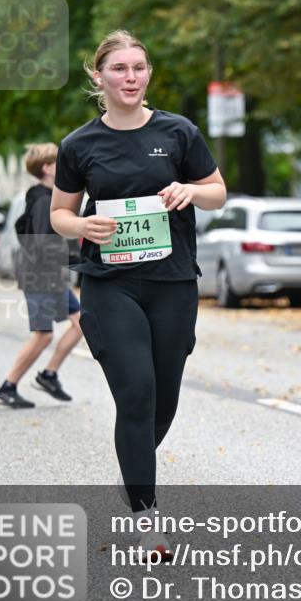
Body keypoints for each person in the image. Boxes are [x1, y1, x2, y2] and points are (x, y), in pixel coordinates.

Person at [50, 30, 226, 556]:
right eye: (120, 69)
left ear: (148, 74)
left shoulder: (178, 132)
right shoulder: (79, 145)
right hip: (110, 284)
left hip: (172, 282)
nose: (131, 77)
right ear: (98, 77)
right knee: (136, 393)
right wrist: (82, 227)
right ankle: (147, 515)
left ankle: (133, 470)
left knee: (164, 403)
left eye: (139, 68)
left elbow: (217, 193)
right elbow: (60, 213)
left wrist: (191, 190)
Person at [0, 143, 84, 409]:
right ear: (47, 168)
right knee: (43, 336)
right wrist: (78, 258)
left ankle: (48, 375)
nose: (65, 167)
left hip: (49, 274)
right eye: (59, 163)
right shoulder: (44, 201)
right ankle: (6, 386)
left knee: (82, 323)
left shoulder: (45, 196)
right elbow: (44, 243)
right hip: (40, 275)